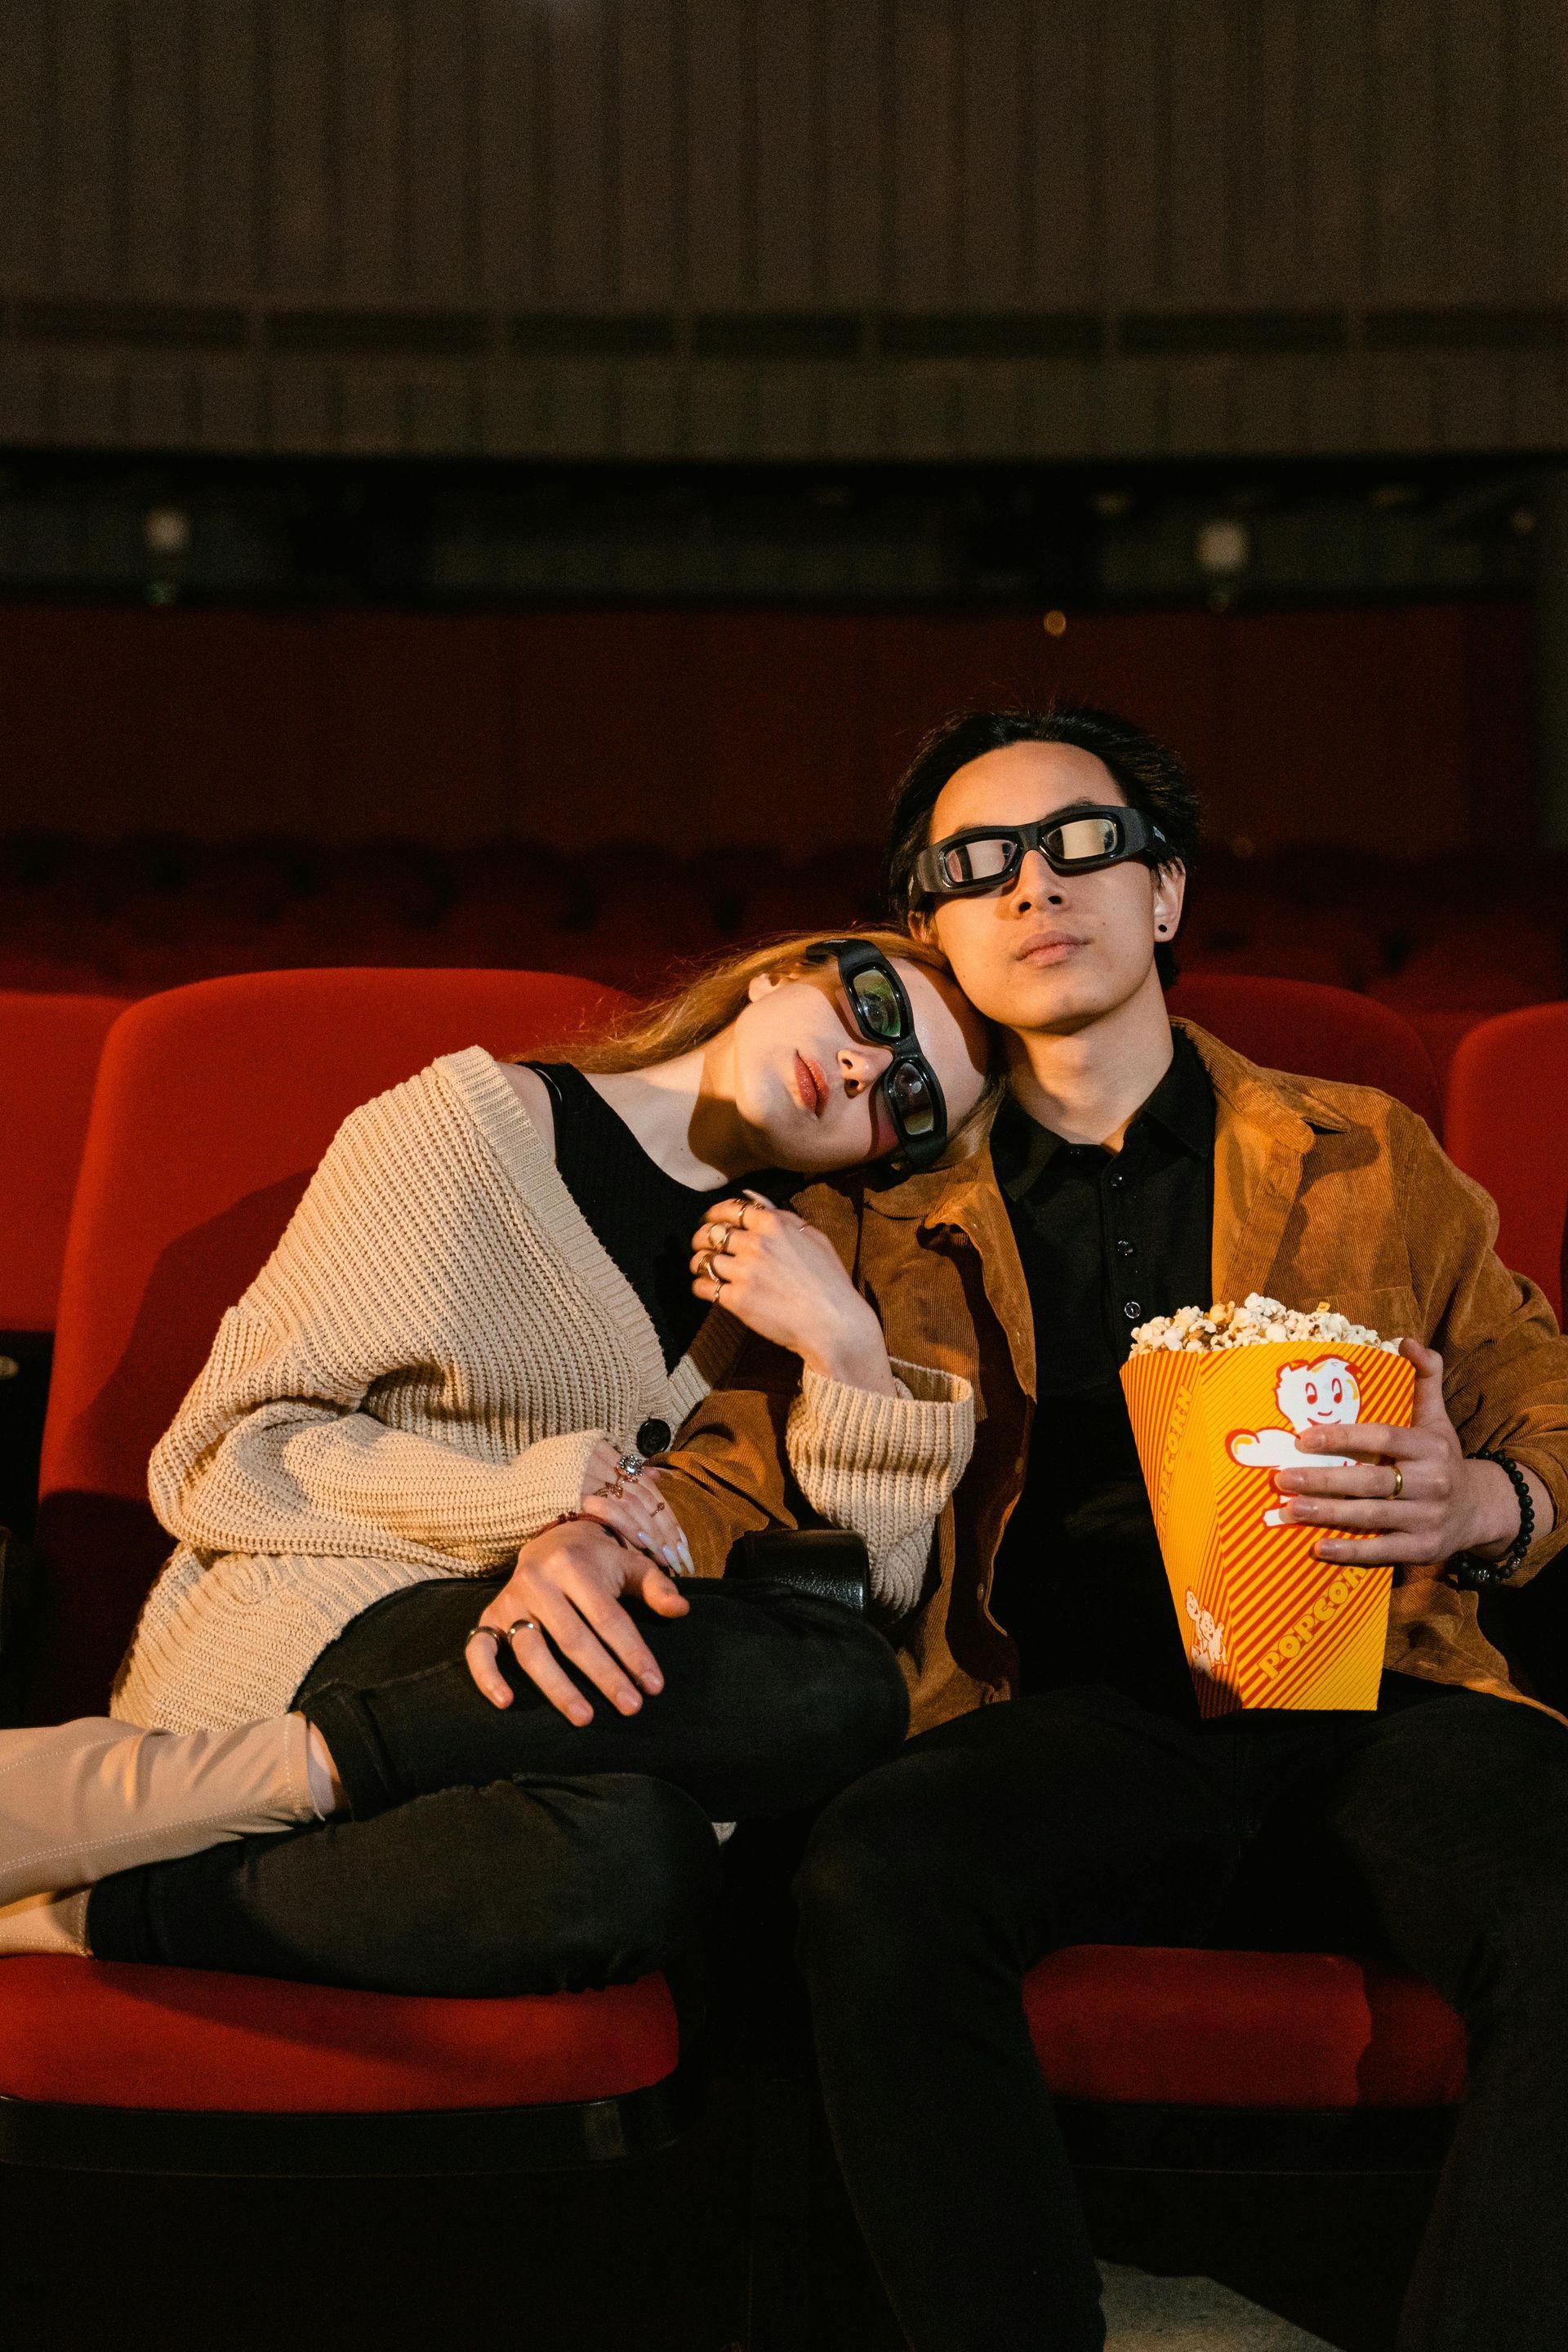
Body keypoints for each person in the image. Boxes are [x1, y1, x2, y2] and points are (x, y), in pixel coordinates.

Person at [650, 706, 1568, 2352]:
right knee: (874, 1872)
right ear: (930, 931)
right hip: (1047, 1714)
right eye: (974, 866)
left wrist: (1491, 1497)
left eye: (1081, 844)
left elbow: (1538, 1396)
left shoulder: (1369, 1153)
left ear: (1165, 896)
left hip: (1367, 1690)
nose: (1032, 887)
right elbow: (731, 1469)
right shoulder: (860, 1197)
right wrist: (602, 1525)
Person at [0, 929, 991, 1998]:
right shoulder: (470, 1133)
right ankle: (222, 1776)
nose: (862, 1068)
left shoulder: (798, 1270)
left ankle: (76, 1906)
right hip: (319, 1619)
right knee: (830, 1691)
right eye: (878, 1012)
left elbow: (865, 1590)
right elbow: (234, 1452)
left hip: (565, 1696)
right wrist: (534, 1501)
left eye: (910, 1100)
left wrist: (843, 1348)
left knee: (648, 1852)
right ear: (784, 972)